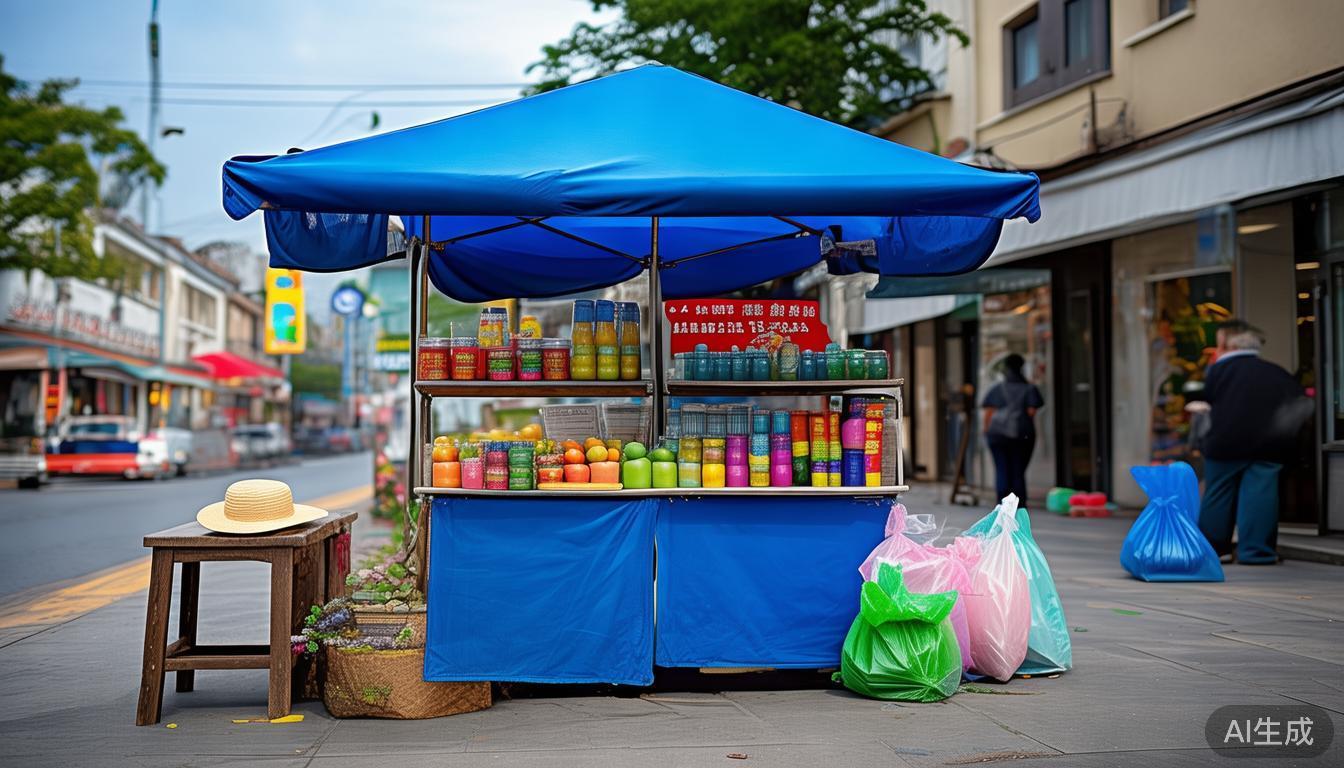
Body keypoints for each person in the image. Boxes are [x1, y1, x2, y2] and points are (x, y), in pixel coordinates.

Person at [1192, 320, 1305, 565]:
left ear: (1226, 344)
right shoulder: (1276, 372)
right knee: (1260, 493)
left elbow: (1207, 400)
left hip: (1225, 442)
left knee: (1218, 492)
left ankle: (1214, 550)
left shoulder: (1218, 371)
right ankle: (1257, 552)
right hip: (1269, 443)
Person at [982, 353, 1044, 504]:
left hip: (997, 434)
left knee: (1001, 468)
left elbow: (989, 411)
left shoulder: (998, 388)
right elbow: (1031, 411)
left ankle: (1001, 504)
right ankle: (1018, 504)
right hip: (1022, 435)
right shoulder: (1029, 388)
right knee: (1017, 471)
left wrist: (986, 430)